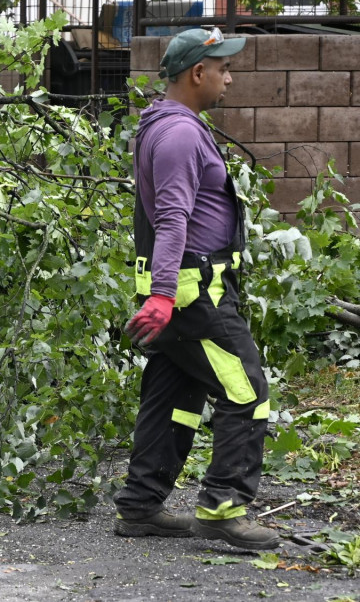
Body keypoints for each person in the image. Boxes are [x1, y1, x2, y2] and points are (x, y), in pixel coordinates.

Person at [114, 28, 280, 551]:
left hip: (184, 288)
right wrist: (163, 295)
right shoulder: (181, 134)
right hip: (191, 292)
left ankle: (141, 505)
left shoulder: (167, 127)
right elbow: (171, 218)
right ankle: (223, 508)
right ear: (197, 73)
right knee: (246, 392)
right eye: (224, 69)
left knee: (175, 395)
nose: (229, 78)